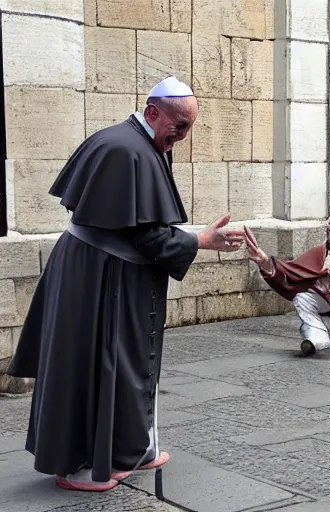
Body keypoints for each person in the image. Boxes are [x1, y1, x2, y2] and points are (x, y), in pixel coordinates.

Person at [7, 75, 245, 492]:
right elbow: (144, 234)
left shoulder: (141, 143)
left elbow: (143, 224)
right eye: (180, 125)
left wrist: (195, 240)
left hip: (115, 275)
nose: (182, 137)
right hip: (96, 279)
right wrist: (202, 241)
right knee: (95, 365)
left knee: (131, 363)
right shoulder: (123, 148)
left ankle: (132, 449)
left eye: (188, 127)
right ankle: (79, 466)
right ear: (152, 112)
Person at [244, 213, 330, 356]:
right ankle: (317, 340)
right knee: (301, 299)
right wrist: (264, 262)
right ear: (327, 232)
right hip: (323, 301)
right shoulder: (317, 253)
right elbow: (291, 270)